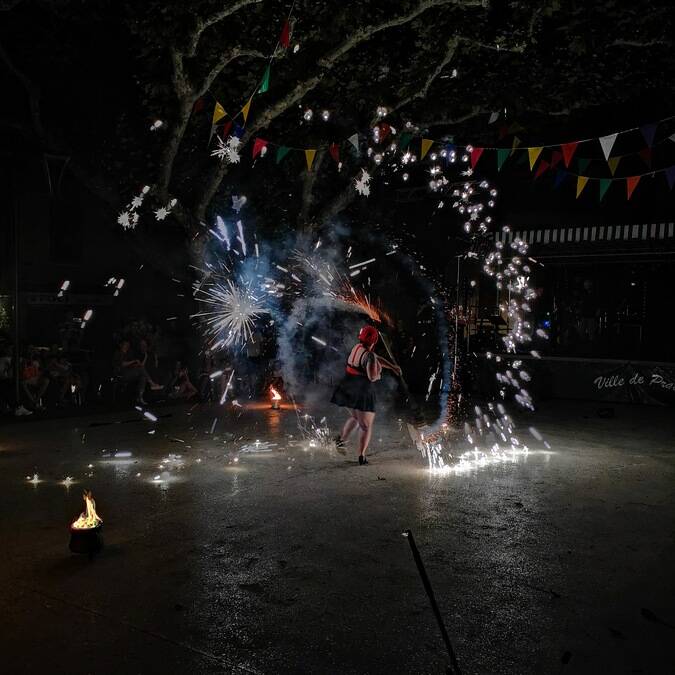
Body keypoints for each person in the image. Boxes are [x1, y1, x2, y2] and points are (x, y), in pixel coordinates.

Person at [331, 325, 401, 465]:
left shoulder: (357, 348)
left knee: (356, 417)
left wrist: (392, 367)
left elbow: (376, 358)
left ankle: (341, 440)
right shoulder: (369, 355)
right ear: (374, 341)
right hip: (360, 390)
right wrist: (379, 373)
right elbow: (372, 377)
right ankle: (362, 457)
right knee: (366, 426)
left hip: (347, 386)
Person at [112, 340, 161, 405]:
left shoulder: (129, 354)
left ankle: (140, 397)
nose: (127, 346)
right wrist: (134, 361)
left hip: (129, 373)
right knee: (141, 370)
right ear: (121, 345)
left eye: (128, 345)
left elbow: (133, 365)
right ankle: (152, 383)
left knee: (143, 376)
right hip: (121, 374)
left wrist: (137, 364)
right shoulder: (118, 353)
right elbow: (122, 364)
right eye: (125, 345)